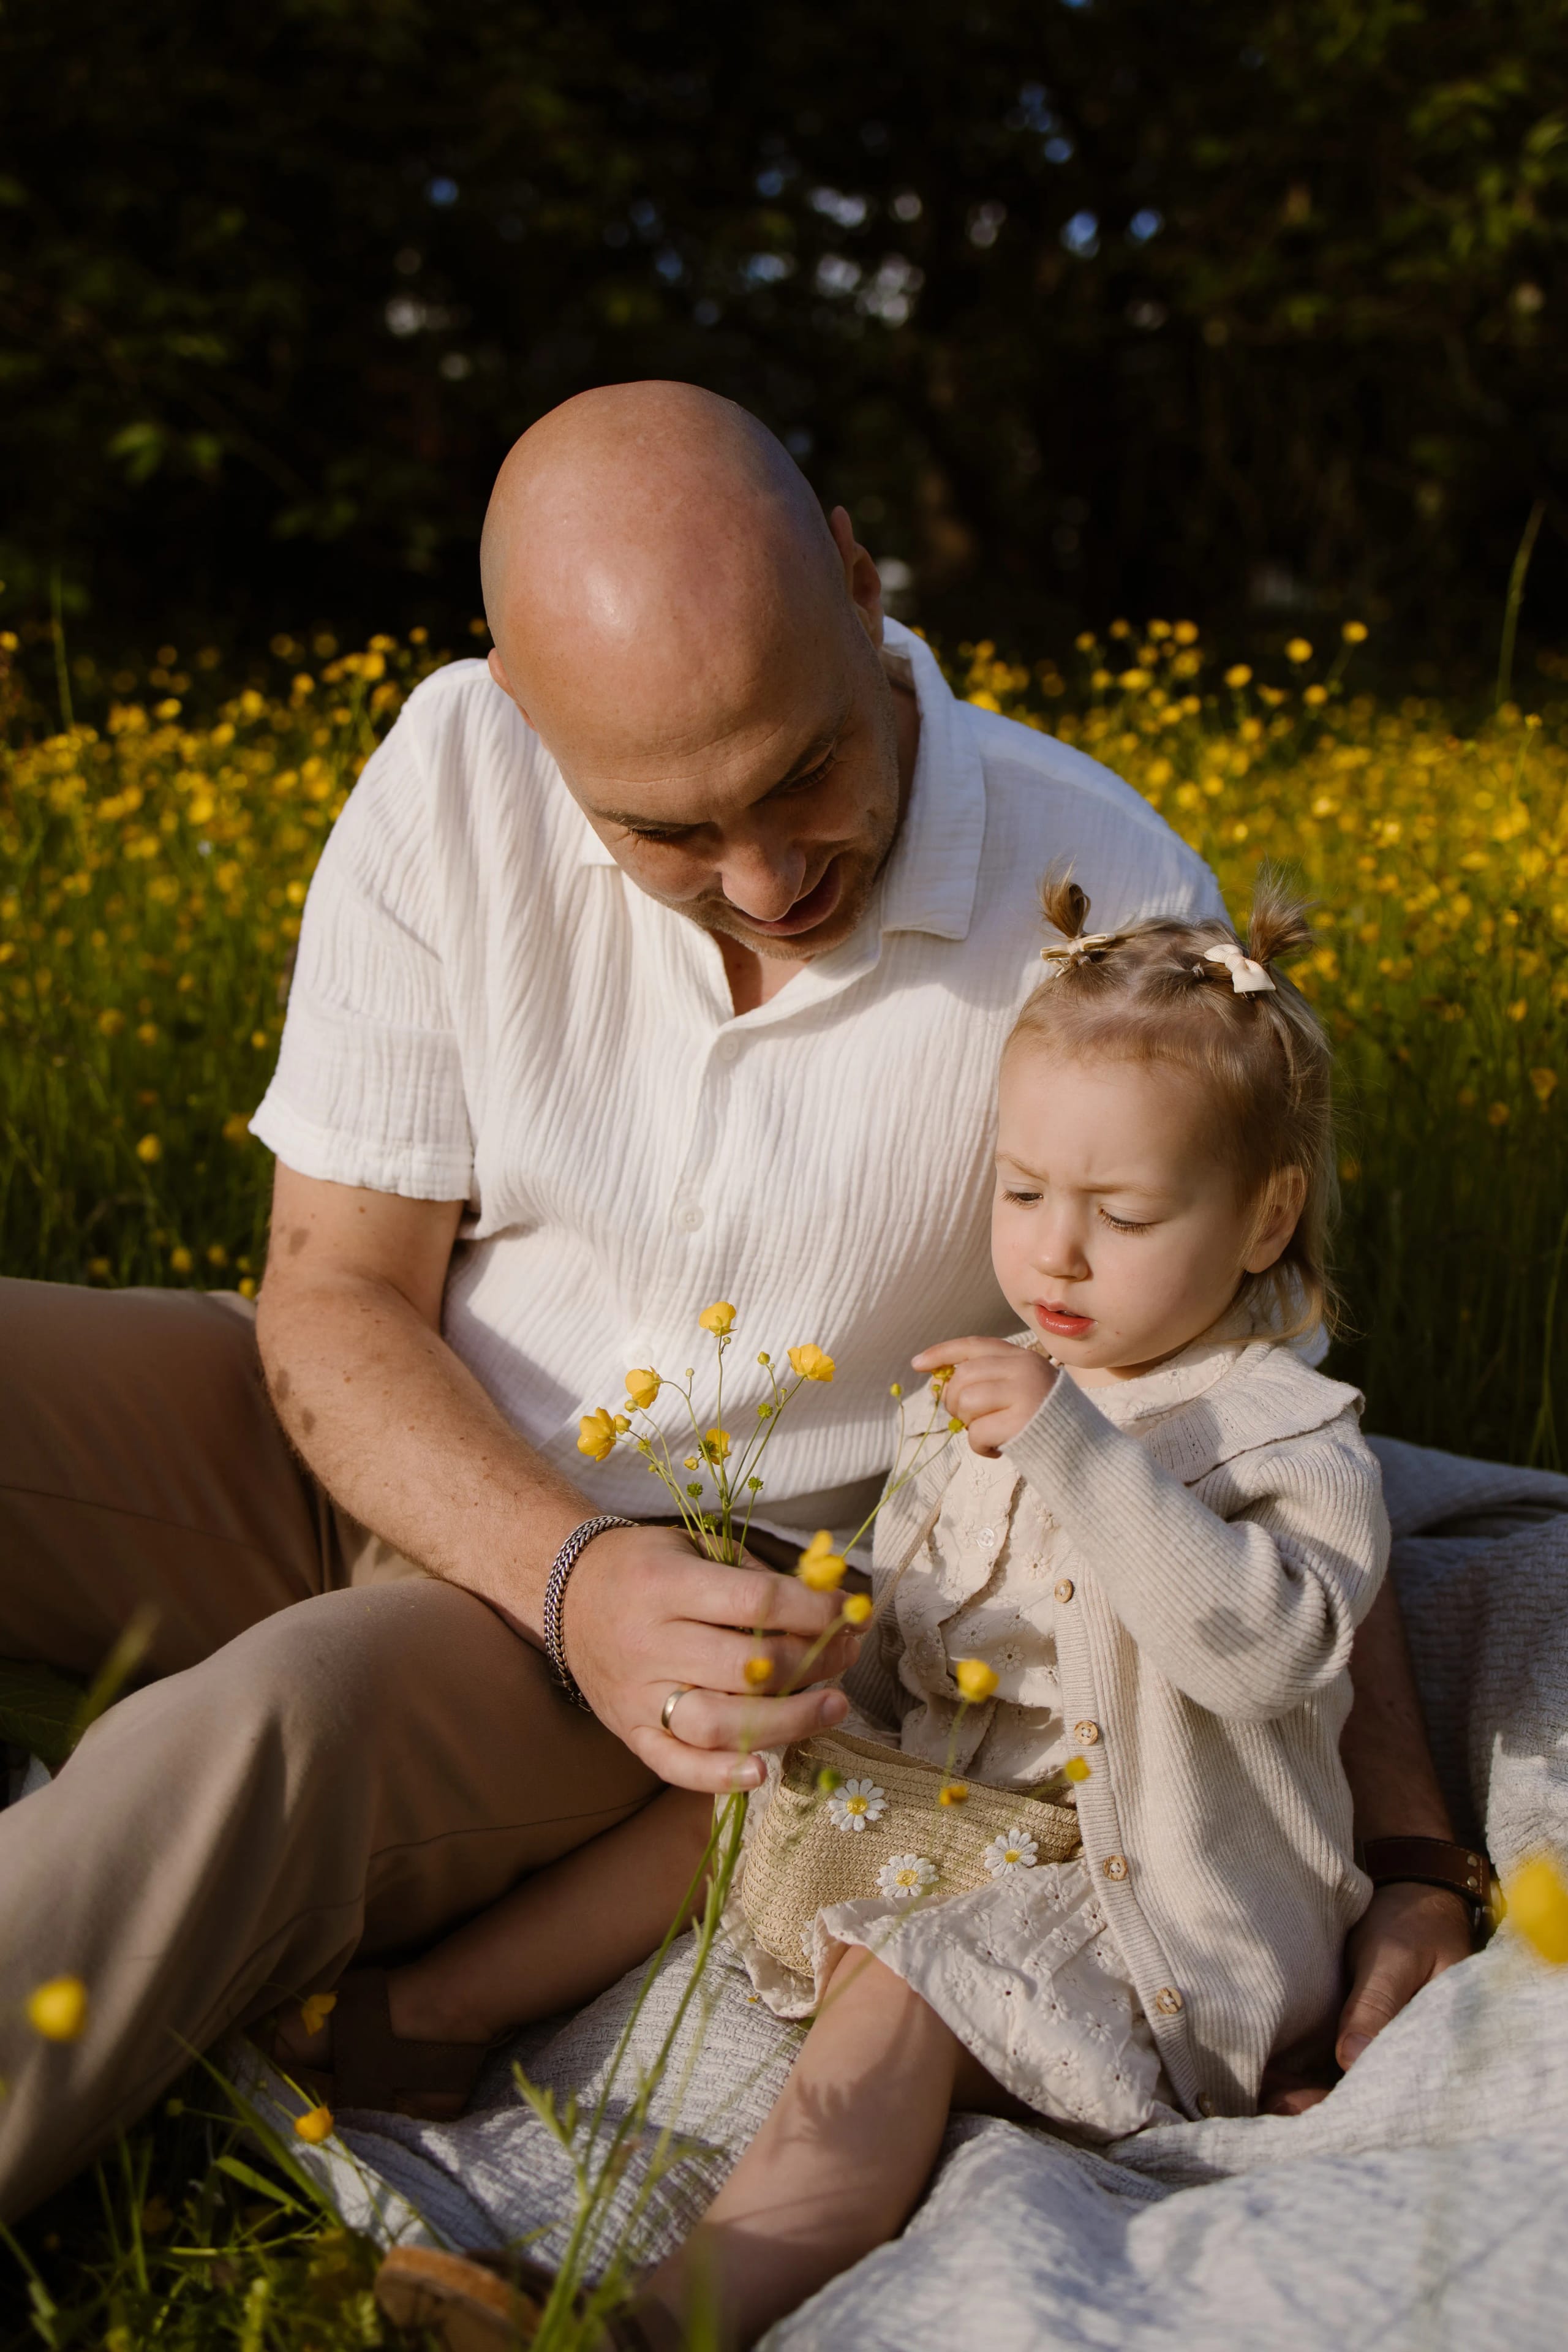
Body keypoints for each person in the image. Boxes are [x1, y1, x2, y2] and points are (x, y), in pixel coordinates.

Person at [0, 383, 1469, 2222]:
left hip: (673, 1612)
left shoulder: (1093, 897)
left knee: (260, 1728)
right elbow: (334, 1295)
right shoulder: (453, 768)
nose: (769, 879)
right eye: (669, 830)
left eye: (800, 776)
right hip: (366, 1428)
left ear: (859, 588)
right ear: (528, 713)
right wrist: (544, 1550)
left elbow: (1257, 1422)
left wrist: (1411, 1853)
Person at [367, 876, 1387, 2350]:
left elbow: (1265, 1652)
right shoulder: (983, 1389)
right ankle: (421, 2021)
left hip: (1144, 1908)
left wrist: (1072, 1451)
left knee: (911, 1980)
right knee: (746, 1788)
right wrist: (844, 1641)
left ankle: (666, 2319)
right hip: (975, 1820)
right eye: (1022, 1193)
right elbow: (931, 1642)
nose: (1054, 1252)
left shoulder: (1282, 1436)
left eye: (1122, 1214)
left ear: (1261, 1218)